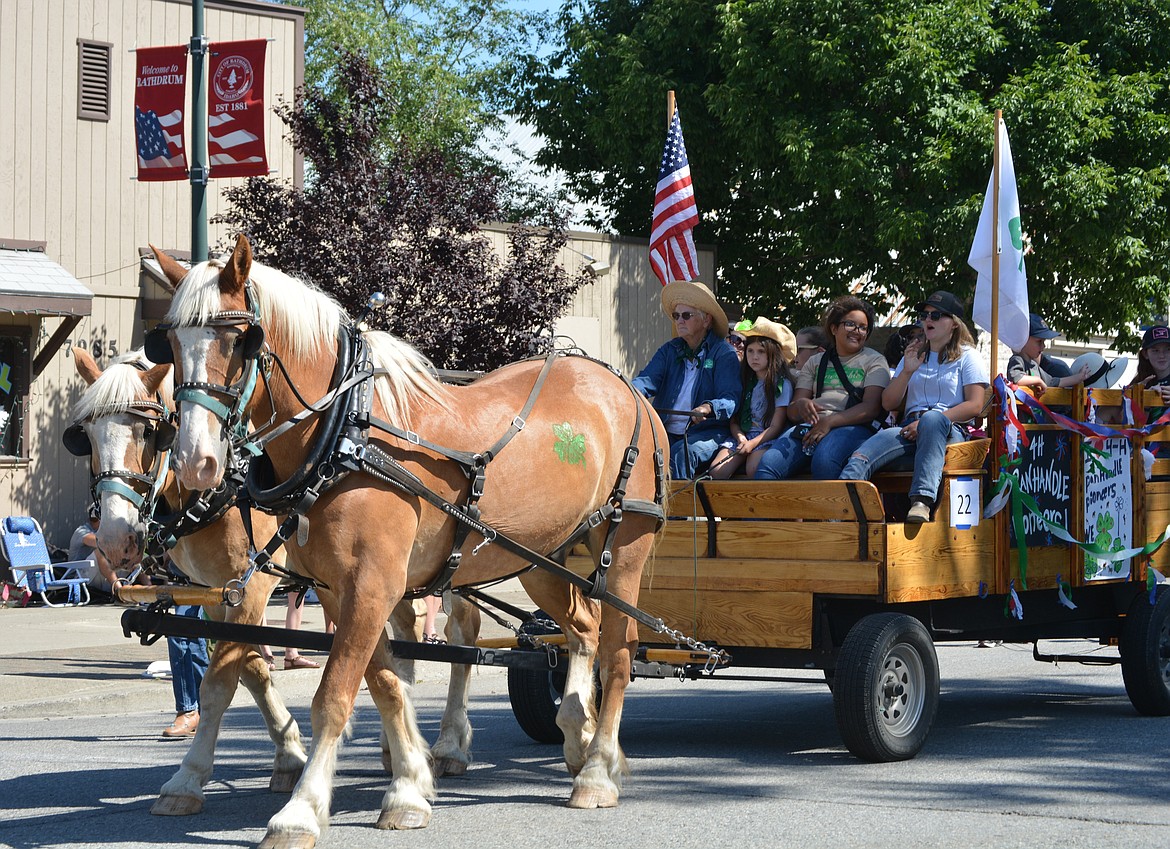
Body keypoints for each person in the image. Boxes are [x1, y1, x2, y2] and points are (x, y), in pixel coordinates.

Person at [840, 291, 990, 523]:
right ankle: (842, 512)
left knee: (932, 419)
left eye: (937, 315)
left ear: (954, 325)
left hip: (948, 429)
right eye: (924, 315)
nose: (928, 320)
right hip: (909, 428)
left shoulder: (968, 356)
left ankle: (921, 501)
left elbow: (975, 405)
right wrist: (908, 370)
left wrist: (928, 421)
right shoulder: (912, 355)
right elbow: (888, 403)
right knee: (861, 455)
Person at [754, 295, 890, 480]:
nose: (857, 331)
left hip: (854, 426)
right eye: (850, 324)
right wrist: (801, 404)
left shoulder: (874, 360)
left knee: (825, 459)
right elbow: (793, 412)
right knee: (769, 463)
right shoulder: (815, 362)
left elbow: (871, 408)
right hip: (813, 426)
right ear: (834, 328)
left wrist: (830, 422)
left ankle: (835, 509)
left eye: (863, 328)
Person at [632, 280, 742, 478]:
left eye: (686, 315)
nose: (679, 321)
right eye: (676, 316)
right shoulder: (669, 350)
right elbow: (645, 382)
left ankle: (676, 509)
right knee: (631, 448)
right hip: (664, 430)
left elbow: (731, 399)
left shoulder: (723, 353)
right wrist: (623, 390)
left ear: (706, 320)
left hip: (708, 432)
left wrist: (707, 408)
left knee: (681, 453)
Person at [709, 318, 796, 479]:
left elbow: (776, 426)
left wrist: (752, 444)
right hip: (741, 435)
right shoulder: (741, 379)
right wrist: (741, 437)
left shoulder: (781, 384)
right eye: (750, 351)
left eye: (761, 352)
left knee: (754, 468)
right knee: (716, 470)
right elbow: (734, 420)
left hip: (765, 437)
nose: (754, 357)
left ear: (773, 354)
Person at [1007, 313, 1090, 397]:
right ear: (1023, 340)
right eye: (1039, 341)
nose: (1043, 346)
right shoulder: (1017, 360)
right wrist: (1038, 380)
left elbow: (1054, 382)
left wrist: (1079, 377)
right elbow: (1016, 378)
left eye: (1043, 341)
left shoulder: (1034, 365)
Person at [163, 604, 209, 738]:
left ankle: (188, 711)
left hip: (201, 583)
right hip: (190, 583)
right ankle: (206, 712)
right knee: (192, 636)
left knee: (179, 628)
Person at [68, 502, 111, 593]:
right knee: (100, 552)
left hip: (98, 575)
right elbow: (100, 543)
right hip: (79, 577)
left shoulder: (101, 532)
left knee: (132, 553)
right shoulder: (81, 531)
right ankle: (118, 589)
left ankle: (147, 588)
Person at [1133, 325, 1170, 401]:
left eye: (1168, 349)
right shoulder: (1139, 383)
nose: (1162, 355)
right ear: (1145, 354)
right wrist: (1144, 401)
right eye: (1155, 350)